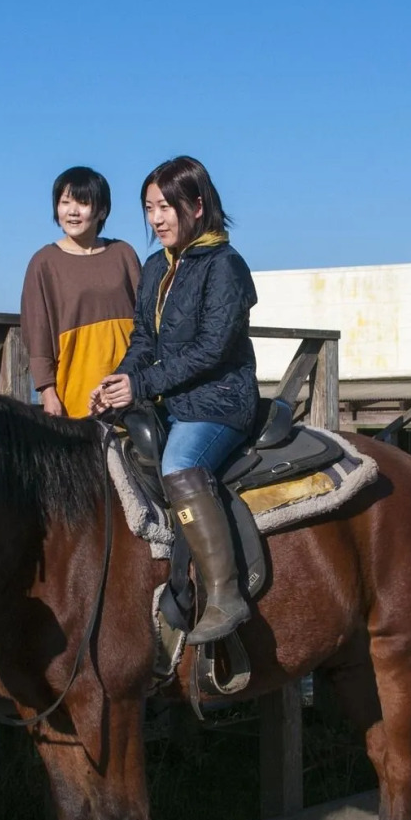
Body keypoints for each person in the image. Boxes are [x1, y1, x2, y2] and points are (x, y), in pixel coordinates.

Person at [91, 156, 258, 644]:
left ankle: (226, 595)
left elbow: (214, 348)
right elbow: (145, 339)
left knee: (179, 464)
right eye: (149, 207)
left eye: (167, 206)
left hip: (220, 399)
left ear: (197, 205)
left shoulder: (226, 266)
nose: (157, 218)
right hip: (171, 396)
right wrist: (118, 381)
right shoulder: (154, 268)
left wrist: (142, 387)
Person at [20, 166, 142, 417]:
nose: (72, 211)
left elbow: (147, 320)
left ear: (102, 211)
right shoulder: (44, 262)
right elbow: (37, 333)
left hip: (128, 386)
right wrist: (47, 392)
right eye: (65, 202)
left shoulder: (124, 254)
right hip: (74, 391)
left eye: (83, 202)